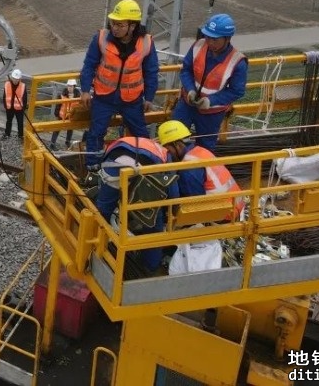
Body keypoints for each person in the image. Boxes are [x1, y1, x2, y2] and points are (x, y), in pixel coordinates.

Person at [79, 0, 159, 169]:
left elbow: (151, 71)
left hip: (132, 100)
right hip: (103, 97)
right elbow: (89, 64)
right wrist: (85, 90)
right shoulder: (101, 38)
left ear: (132, 26)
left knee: (141, 135)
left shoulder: (146, 42)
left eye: (120, 25)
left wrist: (149, 98)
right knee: (96, 134)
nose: (114, 28)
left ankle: (147, 166)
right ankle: (93, 168)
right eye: (113, 23)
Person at [94, 132, 180, 274]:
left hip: (113, 164)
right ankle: (150, 267)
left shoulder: (147, 143)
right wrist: (172, 211)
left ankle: (94, 247)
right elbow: (172, 191)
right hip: (134, 168)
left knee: (102, 212)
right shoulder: (165, 156)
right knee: (153, 225)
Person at [171, 13, 248, 152]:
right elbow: (186, 70)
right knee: (173, 139)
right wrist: (190, 90)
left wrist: (210, 101)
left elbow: (237, 91)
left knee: (205, 149)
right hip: (187, 105)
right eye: (207, 37)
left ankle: (201, 172)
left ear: (227, 38)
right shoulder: (198, 46)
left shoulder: (237, 62)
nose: (210, 42)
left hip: (211, 113)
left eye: (215, 39)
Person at [157, 120, 245, 220]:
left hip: (225, 216)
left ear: (177, 145)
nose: (167, 154)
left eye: (167, 149)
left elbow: (194, 206)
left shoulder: (188, 169)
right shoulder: (200, 151)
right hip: (235, 206)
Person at [50, 78, 81, 149]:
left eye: (71, 86)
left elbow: (78, 106)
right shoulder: (62, 95)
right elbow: (58, 105)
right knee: (57, 128)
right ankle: (52, 143)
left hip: (71, 115)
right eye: (68, 86)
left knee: (70, 129)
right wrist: (57, 114)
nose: (69, 88)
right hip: (62, 115)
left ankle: (67, 141)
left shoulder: (78, 96)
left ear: (74, 87)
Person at [2, 68, 28, 140]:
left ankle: (20, 135)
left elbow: (25, 98)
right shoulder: (7, 84)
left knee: (20, 122)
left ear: (19, 79)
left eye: (17, 79)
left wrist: (24, 108)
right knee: (9, 121)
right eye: (14, 78)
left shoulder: (23, 86)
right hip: (9, 107)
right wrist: (5, 105)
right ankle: (7, 134)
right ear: (12, 77)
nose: (15, 80)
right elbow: (4, 96)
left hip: (19, 108)